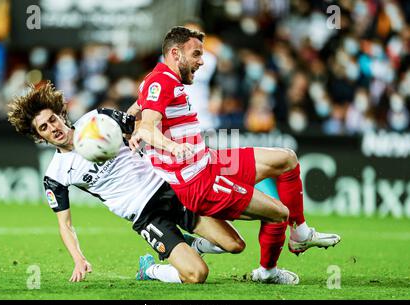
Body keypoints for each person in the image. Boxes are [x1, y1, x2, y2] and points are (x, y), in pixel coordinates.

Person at [129, 27, 341, 285]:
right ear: (175, 53)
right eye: (196, 54)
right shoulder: (160, 81)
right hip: (199, 183)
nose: (201, 61)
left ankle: (301, 233)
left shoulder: (162, 80)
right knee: (278, 212)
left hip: (209, 161)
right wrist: (167, 144)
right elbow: (150, 126)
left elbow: (137, 114)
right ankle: (268, 272)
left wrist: (131, 127)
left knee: (286, 159)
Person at [7, 81, 246, 284]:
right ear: (40, 136)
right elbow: (65, 224)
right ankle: (150, 270)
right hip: (145, 216)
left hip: (169, 189)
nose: (53, 128)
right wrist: (78, 258)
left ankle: (193, 245)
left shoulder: (97, 119)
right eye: (44, 128)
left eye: (53, 119)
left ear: (61, 114)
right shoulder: (55, 175)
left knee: (235, 244)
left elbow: (142, 126)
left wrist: (138, 130)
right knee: (197, 275)